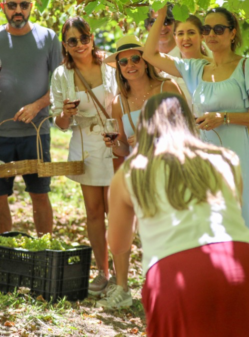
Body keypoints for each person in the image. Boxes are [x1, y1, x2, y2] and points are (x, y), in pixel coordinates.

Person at [107, 93, 249, 336]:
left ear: (144, 127)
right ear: (189, 121)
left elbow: (118, 245)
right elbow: (232, 212)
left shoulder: (130, 172)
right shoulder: (225, 158)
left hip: (177, 270)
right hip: (244, 260)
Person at [142, 5, 249, 238]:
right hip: (202, 156)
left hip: (236, 155)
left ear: (232, 33)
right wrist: (161, 16)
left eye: (219, 29)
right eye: (206, 29)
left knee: (235, 220)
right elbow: (149, 55)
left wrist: (224, 117)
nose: (211, 34)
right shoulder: (196, 68)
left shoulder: (247, 66)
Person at [97, 34, 180, 309]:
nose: (130, 65)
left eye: (135, 59)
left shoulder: (167, 87)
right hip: (137, 171)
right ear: (119, 68)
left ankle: (168, 288)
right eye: (124, 62)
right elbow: (124, 148)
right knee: (120, 224)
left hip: (168, 168)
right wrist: (114, 144)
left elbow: (185, 132)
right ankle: (122, 288)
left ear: (145, 62)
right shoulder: (118, 102)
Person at [0, 0, 63, 235]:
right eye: (12, 5)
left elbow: (62, 84)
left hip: (36, 133)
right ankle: (6, 246)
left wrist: (37, 106)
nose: (18, 10)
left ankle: (44, 248)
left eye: (24, 5)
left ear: (31, 7)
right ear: (3, 7)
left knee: (39, 193)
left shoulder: (49, 37)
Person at [49, 17, 117, 296]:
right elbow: (60, 123)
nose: (80, 45)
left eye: (84, 38)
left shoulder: (110, 64)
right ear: (65, 45)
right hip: (85, 145)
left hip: (113, 142)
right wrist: (66, 113)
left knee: (116, 211)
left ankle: (121, 272)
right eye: (72, 41)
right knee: (94, 212)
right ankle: (103, 272)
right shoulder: (61, 74)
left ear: (92, 37)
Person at [144, 4, 190, 102]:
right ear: (147, 27)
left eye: (167, 21)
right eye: (154, 22)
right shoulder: (140, 60)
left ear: (174, 23)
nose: (162, 27)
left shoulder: (191, 49)